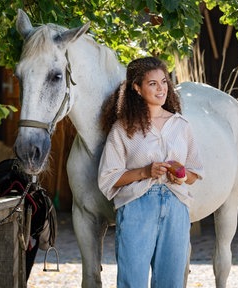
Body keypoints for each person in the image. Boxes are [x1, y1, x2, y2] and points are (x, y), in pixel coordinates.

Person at [98, 57, 204, 287]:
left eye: (164, 82)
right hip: (137, 206)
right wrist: (145, 171)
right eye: (152, 83)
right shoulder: (123, 128)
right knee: (132, 280)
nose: (161, 89)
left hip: (176, 206)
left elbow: (195, 173)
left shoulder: (181, 125)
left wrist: (182, 175)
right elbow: (108, 178)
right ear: (137, 88)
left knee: (172, 281)